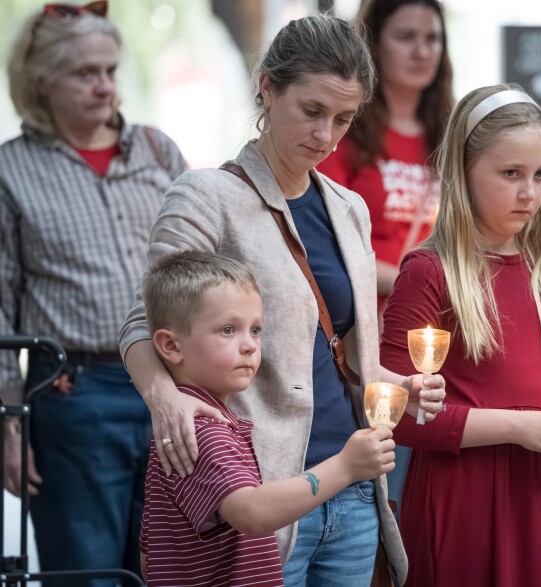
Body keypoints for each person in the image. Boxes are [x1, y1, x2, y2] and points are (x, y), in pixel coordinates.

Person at [118, 15, 445, 587]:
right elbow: (143, 319)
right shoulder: (206, 195)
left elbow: (334, 353)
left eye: (343, 119)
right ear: (267, 87)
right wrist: (162, 396)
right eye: (312, 111)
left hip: (352, 486)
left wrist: (397, 386)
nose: (326, 135)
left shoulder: (349, 208)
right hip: (259, 487)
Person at [379, 84, 541, 587]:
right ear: (464, 171)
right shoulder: (429, 272)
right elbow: (399, 416)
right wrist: (519, 426)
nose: (530, 192)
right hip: (463, 498)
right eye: (510, 174)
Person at [0, 2, 187, 585]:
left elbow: (204, 270)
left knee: (173, 566)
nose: (104, 86)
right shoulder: (12, 171)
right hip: (73, 397)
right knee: (88, 573)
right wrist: (8, 422)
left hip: (175, 388)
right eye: (85, 73)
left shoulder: (158, 153)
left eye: (109, 70)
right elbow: (1, 305)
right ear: (41, 81)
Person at [139, 251, 396, 586]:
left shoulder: (207, 422)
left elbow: (148, 556)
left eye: (256, 330)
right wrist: (346, 466)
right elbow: (252, 512)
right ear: (171, 345)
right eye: (228, 329)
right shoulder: (203, 431)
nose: (249, 345)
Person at [318, 0, 453, 508]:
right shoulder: (344, 129)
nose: (422, 50)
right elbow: (326, 241)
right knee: (378, 491)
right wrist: (409, 279)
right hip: (365, 342)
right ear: (373, 44)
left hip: (438, 345)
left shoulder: (452, 137)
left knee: (429, 493)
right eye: (406, 37)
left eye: (432, 38)